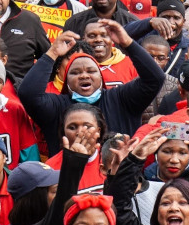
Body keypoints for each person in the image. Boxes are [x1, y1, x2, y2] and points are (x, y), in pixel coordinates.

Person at [19, 24, 165, 152]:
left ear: (101, 76)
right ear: (66, 81)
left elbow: (155, 78)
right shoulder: (55, 107)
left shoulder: (121, 99)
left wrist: (128, 43)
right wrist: (52, 53)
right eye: (75, 72)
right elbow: (28, 93)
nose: (84, 75)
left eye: (90, 71)